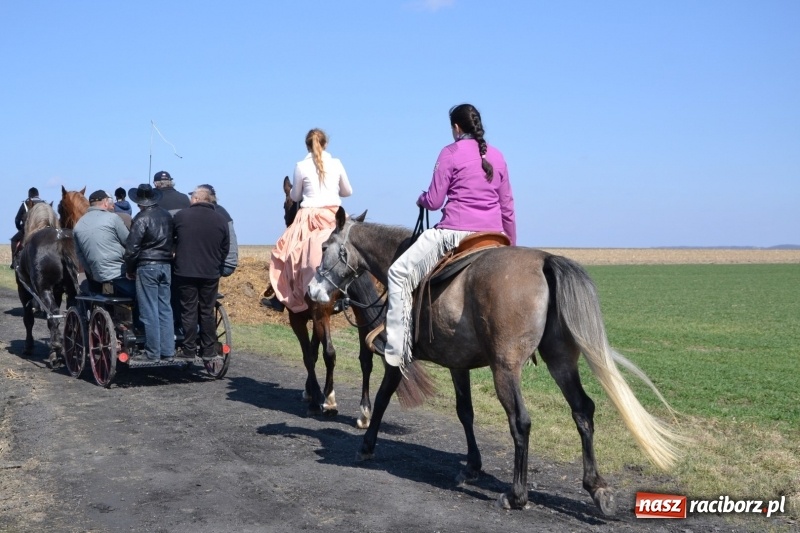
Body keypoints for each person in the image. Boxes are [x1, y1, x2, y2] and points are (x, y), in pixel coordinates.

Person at [371, 103, 516, 368]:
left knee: (398, 273)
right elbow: (507, 207)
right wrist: (511, 247)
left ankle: (396, 346)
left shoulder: (450, 152)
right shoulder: (498, 156)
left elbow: (435, 200)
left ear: (456, 128)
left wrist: (421, 199)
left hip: (456, 232)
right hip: (495, 235)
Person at [264, 128, 352, 313]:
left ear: (307, 146)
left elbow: (295, 196)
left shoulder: (300, 165)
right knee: (352, 253)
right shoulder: (336, 163)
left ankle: (282, 299)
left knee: (288, 253)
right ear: (326, 143)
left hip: (309, 216)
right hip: (333, 215)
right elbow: (347, 192)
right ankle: (348, 294)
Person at [173, 186, 230, 361]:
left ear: (197, 199)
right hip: (210, 273)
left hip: (185, 271)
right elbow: (225, 248)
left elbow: (172, 241)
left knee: (188, 310)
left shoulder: (181, 216)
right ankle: (209, 350)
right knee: (207, 311)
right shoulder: (221, 220)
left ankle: (189, 350)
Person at [123, 184, 175, 362]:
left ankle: (153, 353)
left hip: (147, 266)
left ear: (139, 202)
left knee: (149, 310)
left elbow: (132, 249)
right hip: (166, 266)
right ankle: (168, 351)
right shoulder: (167, 216)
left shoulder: (141, 218)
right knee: (165, 309)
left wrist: (129, 269)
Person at [73, 190, 135, 297]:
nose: (113, 205)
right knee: (144, 293)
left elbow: (81, 256)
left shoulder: (78, 226)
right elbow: (129, 243)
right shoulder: (112, 218)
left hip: (97, 276)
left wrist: (92, 273)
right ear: (105, 202)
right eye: (111, 202)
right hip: (119, 274)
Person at [194, 184, 238, 277]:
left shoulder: (211, 214)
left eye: (196, 196)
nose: (194, 199)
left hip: (223, 264)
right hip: (228, 261)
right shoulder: (221, 211)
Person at [10, 187, 45, 268]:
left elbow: (17, 220)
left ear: (29, 195)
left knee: (14, 240)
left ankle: (14, 262)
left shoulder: (25, 204)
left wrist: (20, 229)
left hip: (27, 230)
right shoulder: (44, 204)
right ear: (38, 194)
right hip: (43, 230)